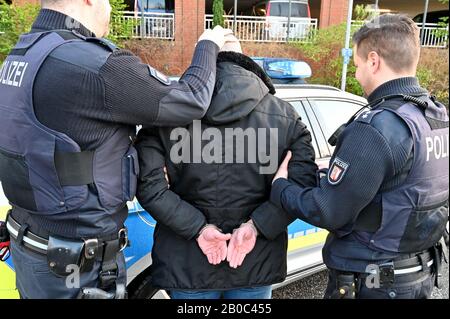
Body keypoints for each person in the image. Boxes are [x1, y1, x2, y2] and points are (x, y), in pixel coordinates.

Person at [0, 0, 232, 299]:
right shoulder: (90, 63)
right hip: (77, 267)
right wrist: (208, 44)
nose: (109, 9)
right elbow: (190, 100)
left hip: (35, 250)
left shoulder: (24, 54)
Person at [270, 14, 449, 299]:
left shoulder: (378, 127)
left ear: (374, 61)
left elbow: (329, 210)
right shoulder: (436, 118)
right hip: (418, 274)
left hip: (375, 282)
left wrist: (281, 189)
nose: (355, 74)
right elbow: (397, 189)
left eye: (356, 65)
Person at [135, 36, 318, 299]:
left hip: (187, 265)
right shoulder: (286, 117)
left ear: (203, 60)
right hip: (255, 260)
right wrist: (256, 226)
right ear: (245, 60)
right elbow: (301, 184)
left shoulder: (168, 115)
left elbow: (149, 187)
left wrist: (199, 228)